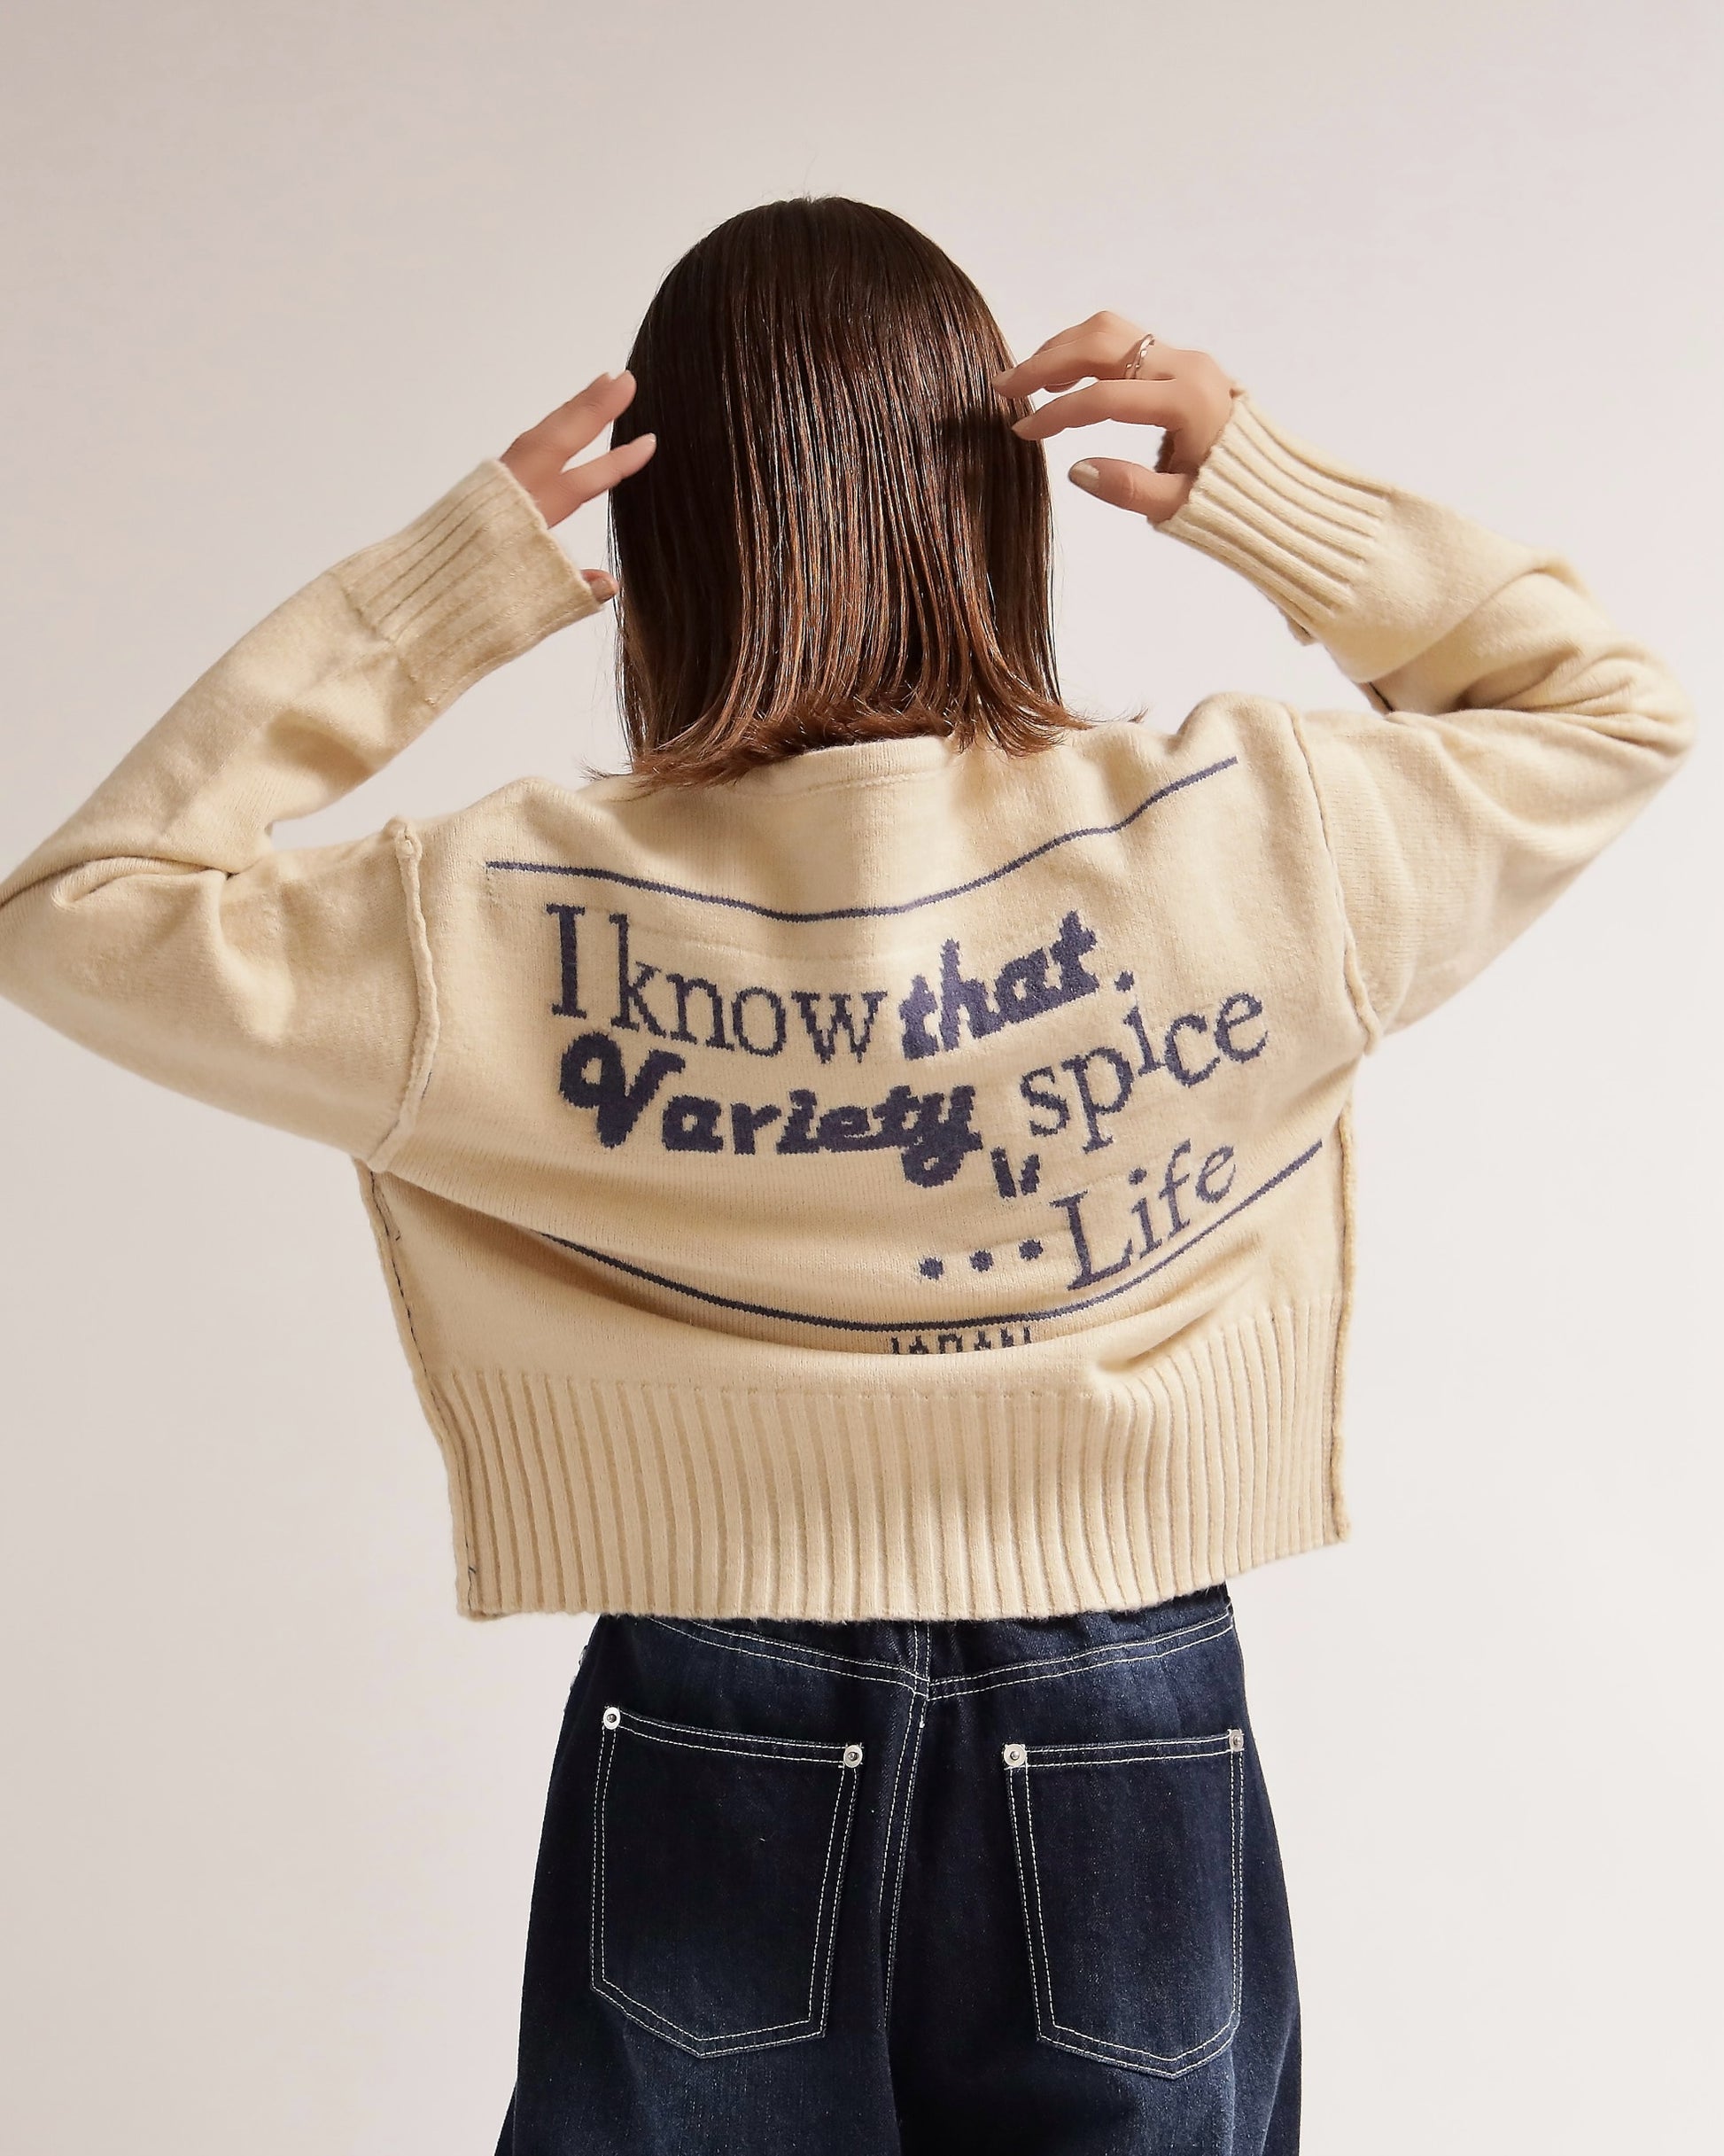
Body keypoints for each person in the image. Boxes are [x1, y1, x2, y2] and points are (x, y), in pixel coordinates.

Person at [0, 196, 1693, 2155]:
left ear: (666, 542)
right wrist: (1261, 483)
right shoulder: (1259, 836)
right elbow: (1609, 712)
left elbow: (77, 914)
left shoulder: (508, 912)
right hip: (1124, 1685)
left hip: (715, 1681)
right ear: (996, 503)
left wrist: (437, 593)